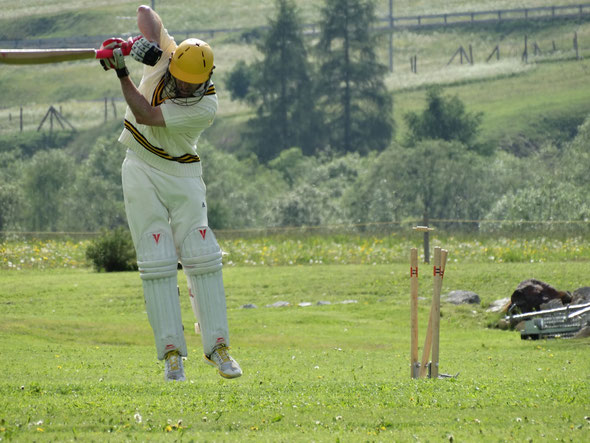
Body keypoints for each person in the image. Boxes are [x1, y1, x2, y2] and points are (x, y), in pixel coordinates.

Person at [100, 4, 242, 382]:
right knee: (156, 256)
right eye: (180, 77)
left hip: (182, 174)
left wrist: (122, 72)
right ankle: (172, 354)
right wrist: (141, 43)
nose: (184, 86)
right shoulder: (171, 58)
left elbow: (146, 114)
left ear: (208, 77)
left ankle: (217, 348)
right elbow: (146, 12)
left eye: (192, 83)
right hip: (140, 165)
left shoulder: (206, 105)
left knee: (201, 253)